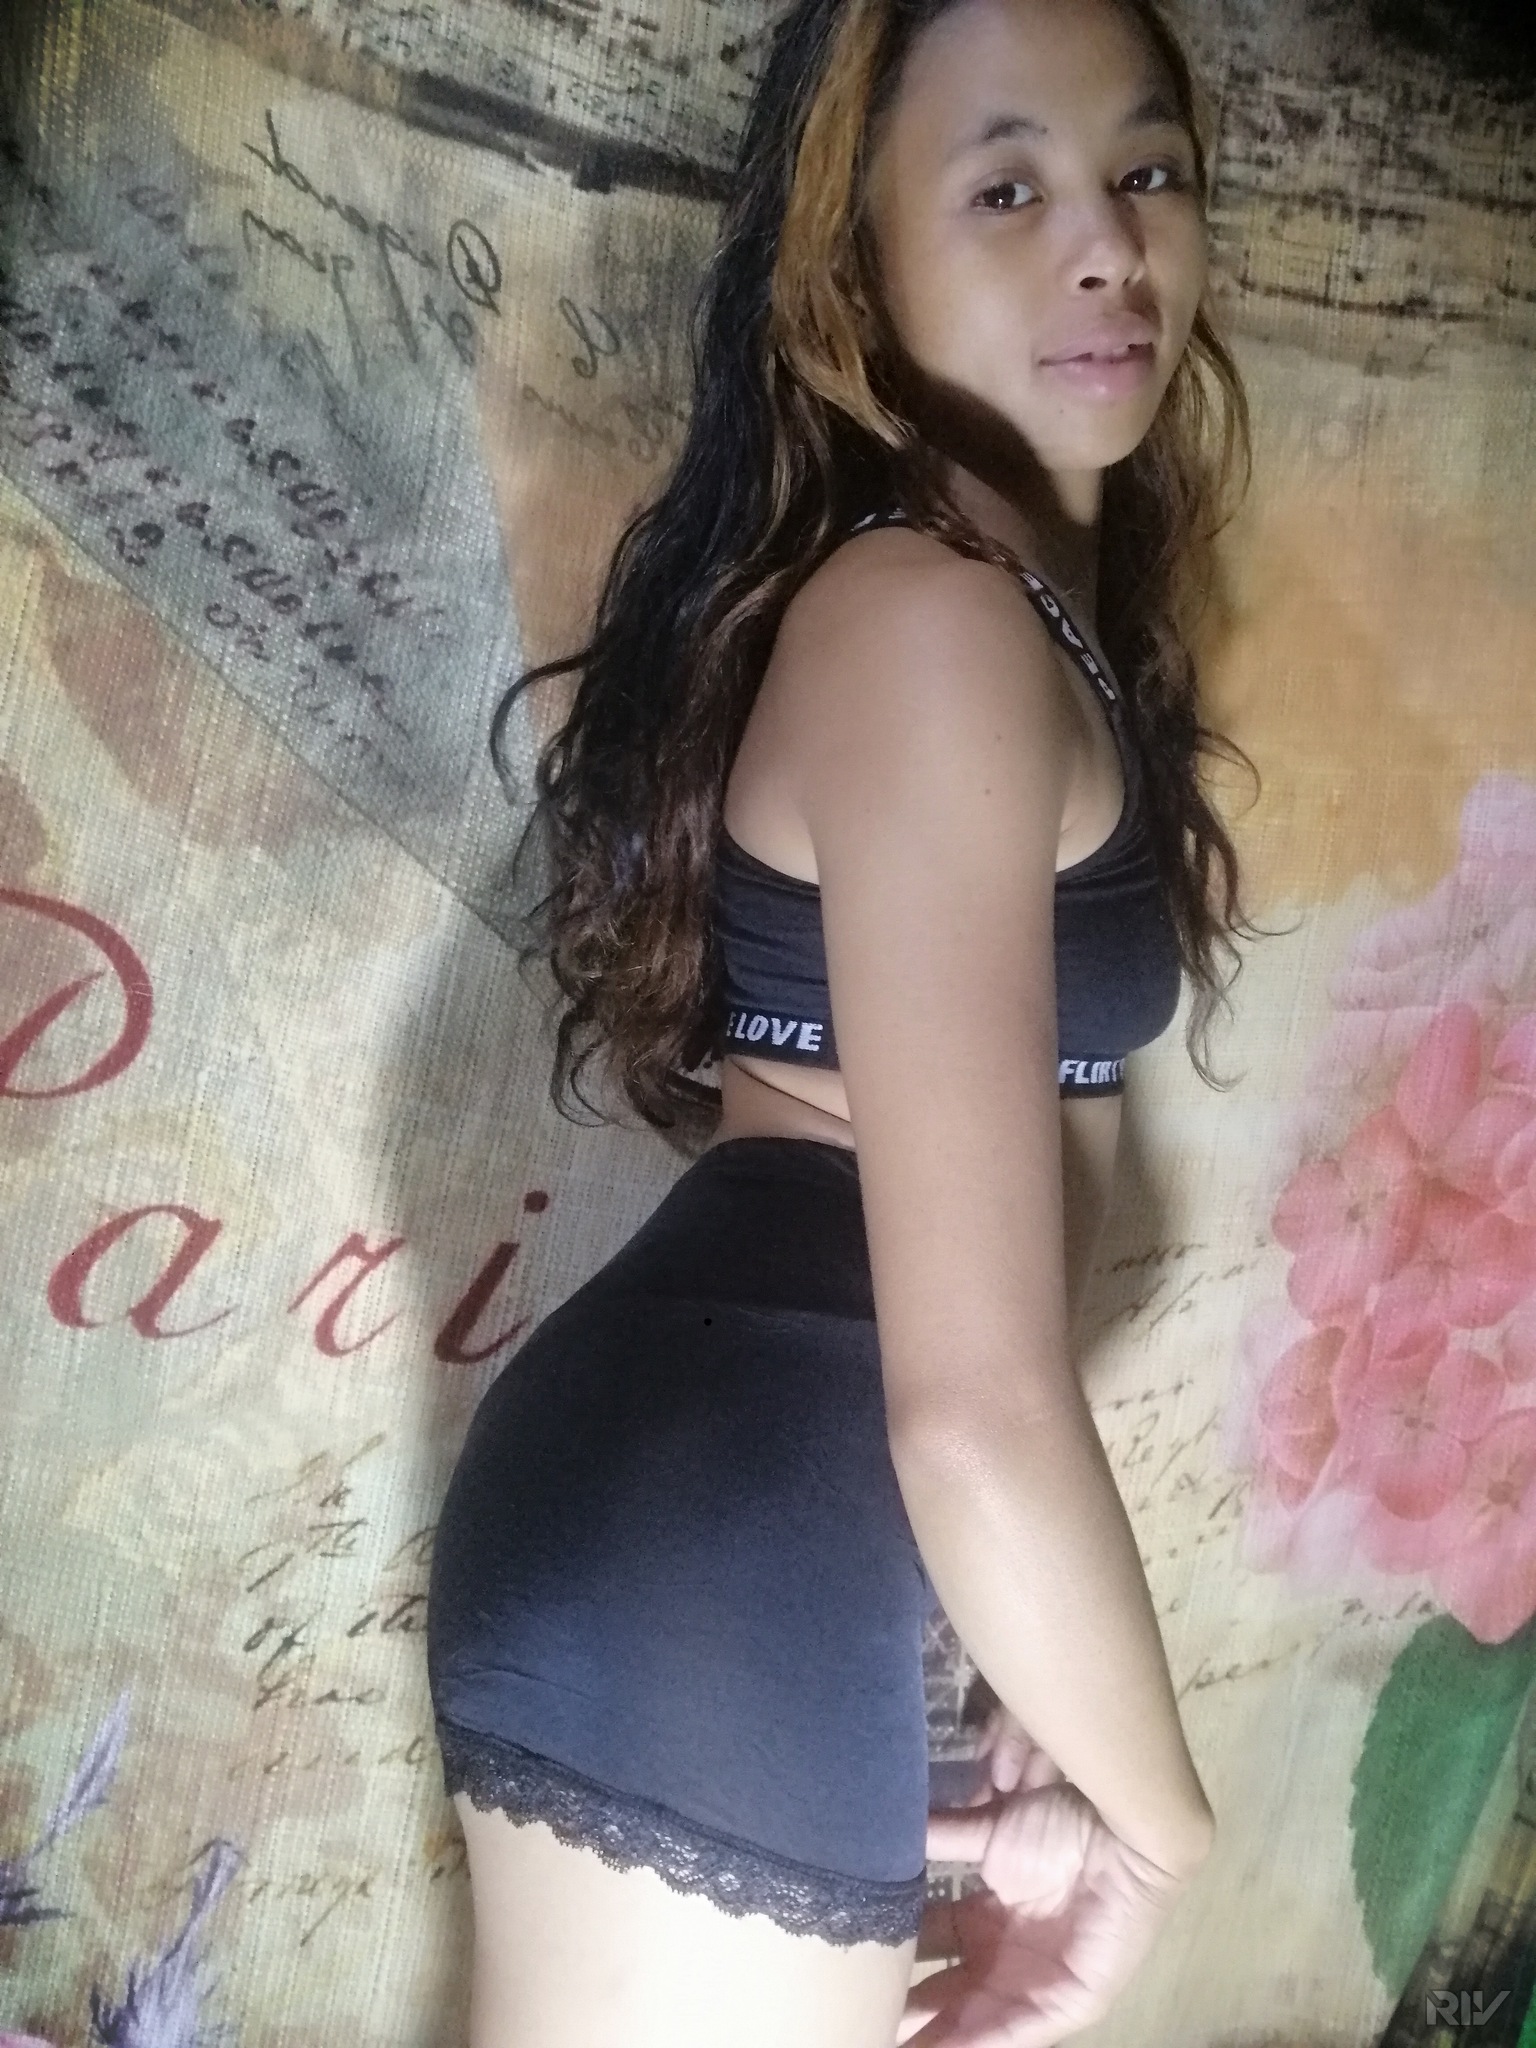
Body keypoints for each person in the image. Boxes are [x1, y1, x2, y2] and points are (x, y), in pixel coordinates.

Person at [425, 0, 1256, 2039]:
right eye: (1007, 188)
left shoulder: (1014, 616)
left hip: (774, 1517)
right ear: (856, 269)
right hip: (736, 1522)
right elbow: (969, 1408)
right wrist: (1164, 1838)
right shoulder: (929, 625)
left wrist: (1035, 1684)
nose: (1107, 243)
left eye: (1146, 169)